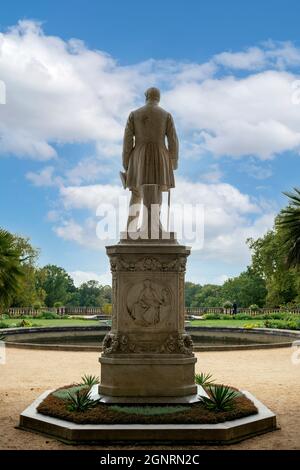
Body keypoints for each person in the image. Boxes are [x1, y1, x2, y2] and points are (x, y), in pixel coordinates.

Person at [122, 87, 179, 235]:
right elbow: (173, 140)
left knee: (136, 192)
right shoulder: (166, 115)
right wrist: (173, 161)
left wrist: (126, 162)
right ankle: (154, 226)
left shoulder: (134, 114)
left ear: (146, 96)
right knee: (157, 190)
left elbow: (127, 141)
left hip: (138, 156)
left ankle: (131, 229)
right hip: (160, 156)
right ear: (158, 98)